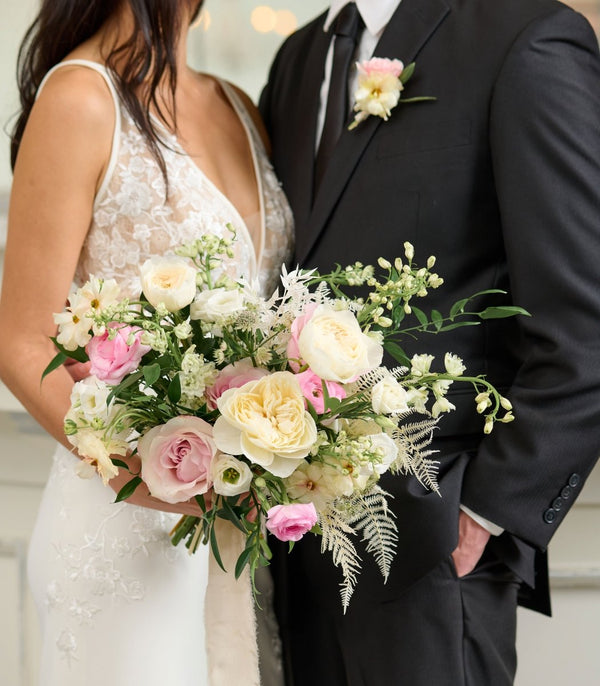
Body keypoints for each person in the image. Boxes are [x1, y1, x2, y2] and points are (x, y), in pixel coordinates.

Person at [259, 0, 600, 684]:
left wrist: (484, 512)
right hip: (294, 553)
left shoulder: (523, 39)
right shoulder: (298, 59)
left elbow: (585, 323)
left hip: (435, 553)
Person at [0, 1, 292, 684]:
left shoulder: (238, 106)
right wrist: (154, 480)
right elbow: (19, 341)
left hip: (238, 530)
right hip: (123, 531)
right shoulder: (80, 97)